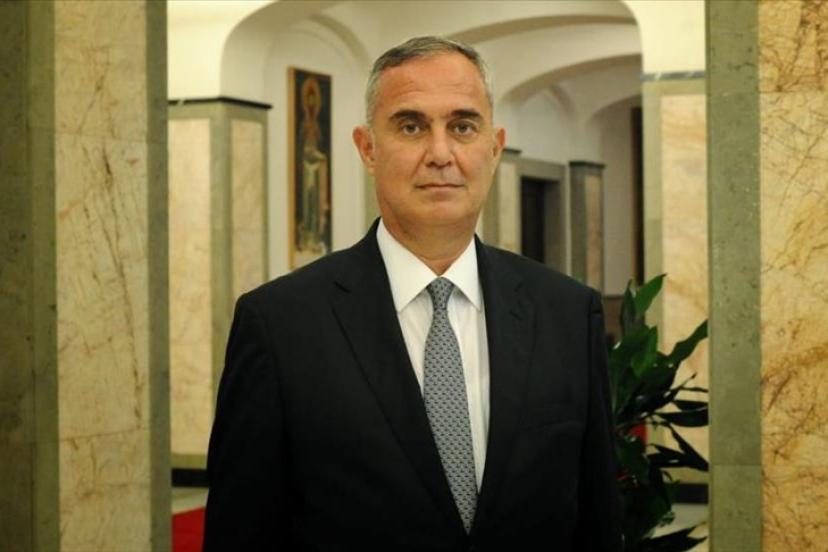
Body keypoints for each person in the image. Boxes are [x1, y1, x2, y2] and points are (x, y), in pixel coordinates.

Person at [203, 36, 621, 551]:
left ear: (494, 148)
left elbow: (597, 521)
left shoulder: (566, 313)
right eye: (411, 126)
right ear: (367, 148)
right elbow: (241, 532)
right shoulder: (280, 325)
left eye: (462, 126)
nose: (440, 154)